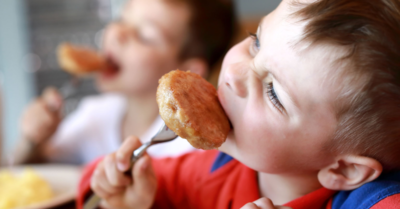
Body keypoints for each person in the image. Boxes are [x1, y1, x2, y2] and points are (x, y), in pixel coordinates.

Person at [77, 0, 400, 208]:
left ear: (343, 169)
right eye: (255, 42)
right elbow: (95, 183)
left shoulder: (376, 201)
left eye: (274, 92)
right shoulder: (211, 171)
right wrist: (116, 188)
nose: (232, 73)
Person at [14, 0, 236, 164]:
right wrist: (33, 139)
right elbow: (35, 170)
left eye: (143, 34)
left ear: (189, 71)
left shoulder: (197, 152)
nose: (117, 32)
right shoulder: (95, 114)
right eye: (121, 19)